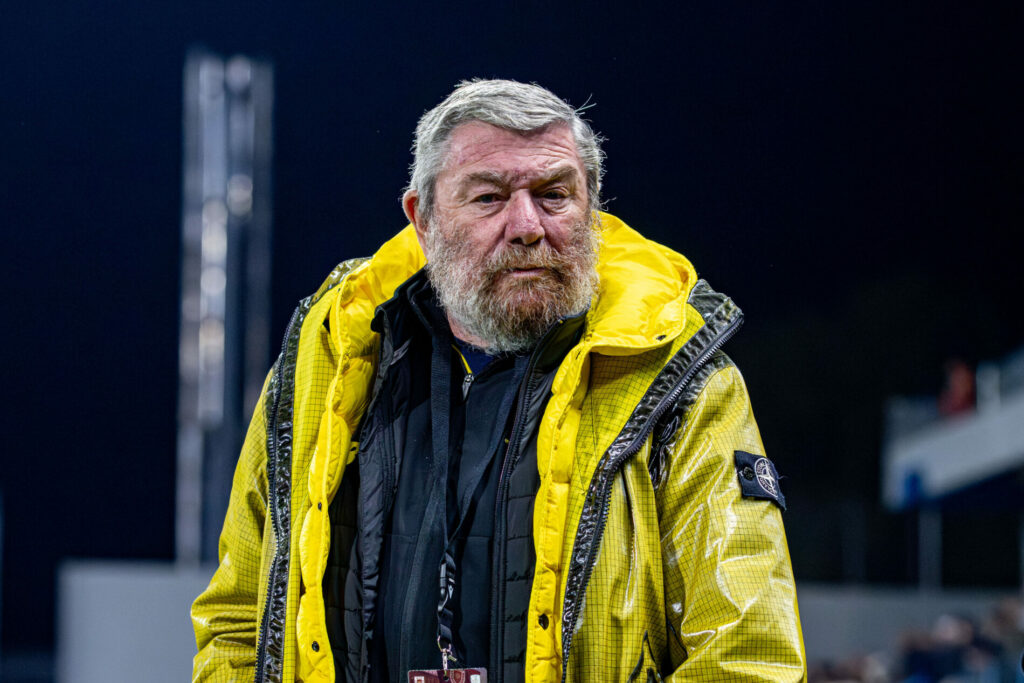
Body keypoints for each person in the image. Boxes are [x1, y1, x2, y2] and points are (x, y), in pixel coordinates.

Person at [191, 78, 806, 683]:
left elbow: (748, 657)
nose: (527, 225)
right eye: (489, 198)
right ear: (423, 220)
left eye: (554, 194)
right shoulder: (325, 367)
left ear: (592, 209)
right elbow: (238, 625)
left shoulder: (683, 386)